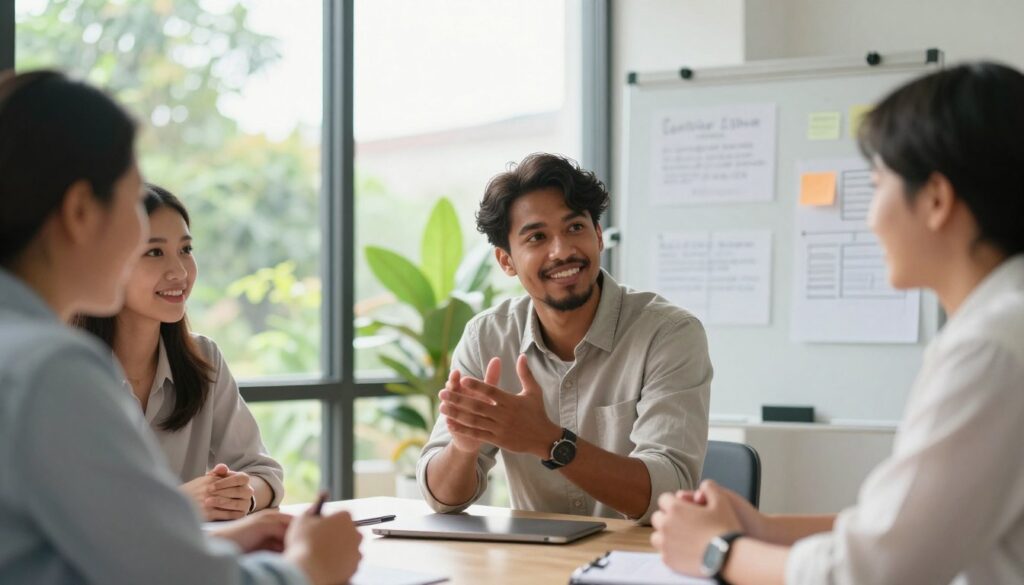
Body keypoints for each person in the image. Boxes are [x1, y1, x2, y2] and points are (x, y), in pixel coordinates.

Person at [650, 62, 1024, 585]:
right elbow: (905, 532)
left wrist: (719, 551)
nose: (870, 217)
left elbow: (873, 572)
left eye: (876, 186)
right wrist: (760, 528)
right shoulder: (1002, 322)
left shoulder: (990, 348)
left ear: (937, 200)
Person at [0, 70, 361, 585]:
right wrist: (308, 568)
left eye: (184, 248)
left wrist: (197, 543)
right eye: (130, 203)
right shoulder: (50, 369)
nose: (174, 267)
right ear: (80, 210)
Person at [416, 153, 712, 523]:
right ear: (506, 261)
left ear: (598, 235)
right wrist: (463, 448)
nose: (563, 251)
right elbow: (443, 500)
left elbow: (669, 493)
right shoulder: (487, 337)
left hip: (642, 561)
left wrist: (549, 441)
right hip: (536, 566)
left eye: (575, 228)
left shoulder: (668, 334)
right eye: (537, 237)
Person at [74, 184, 284, 520]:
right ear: (109, 262)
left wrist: (242, 496)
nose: (180, 272)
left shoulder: (204, 358)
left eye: (186, 249)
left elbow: (262, 471)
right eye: (154, 252)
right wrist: (177, 501)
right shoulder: (65, 371)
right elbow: (67, 510)